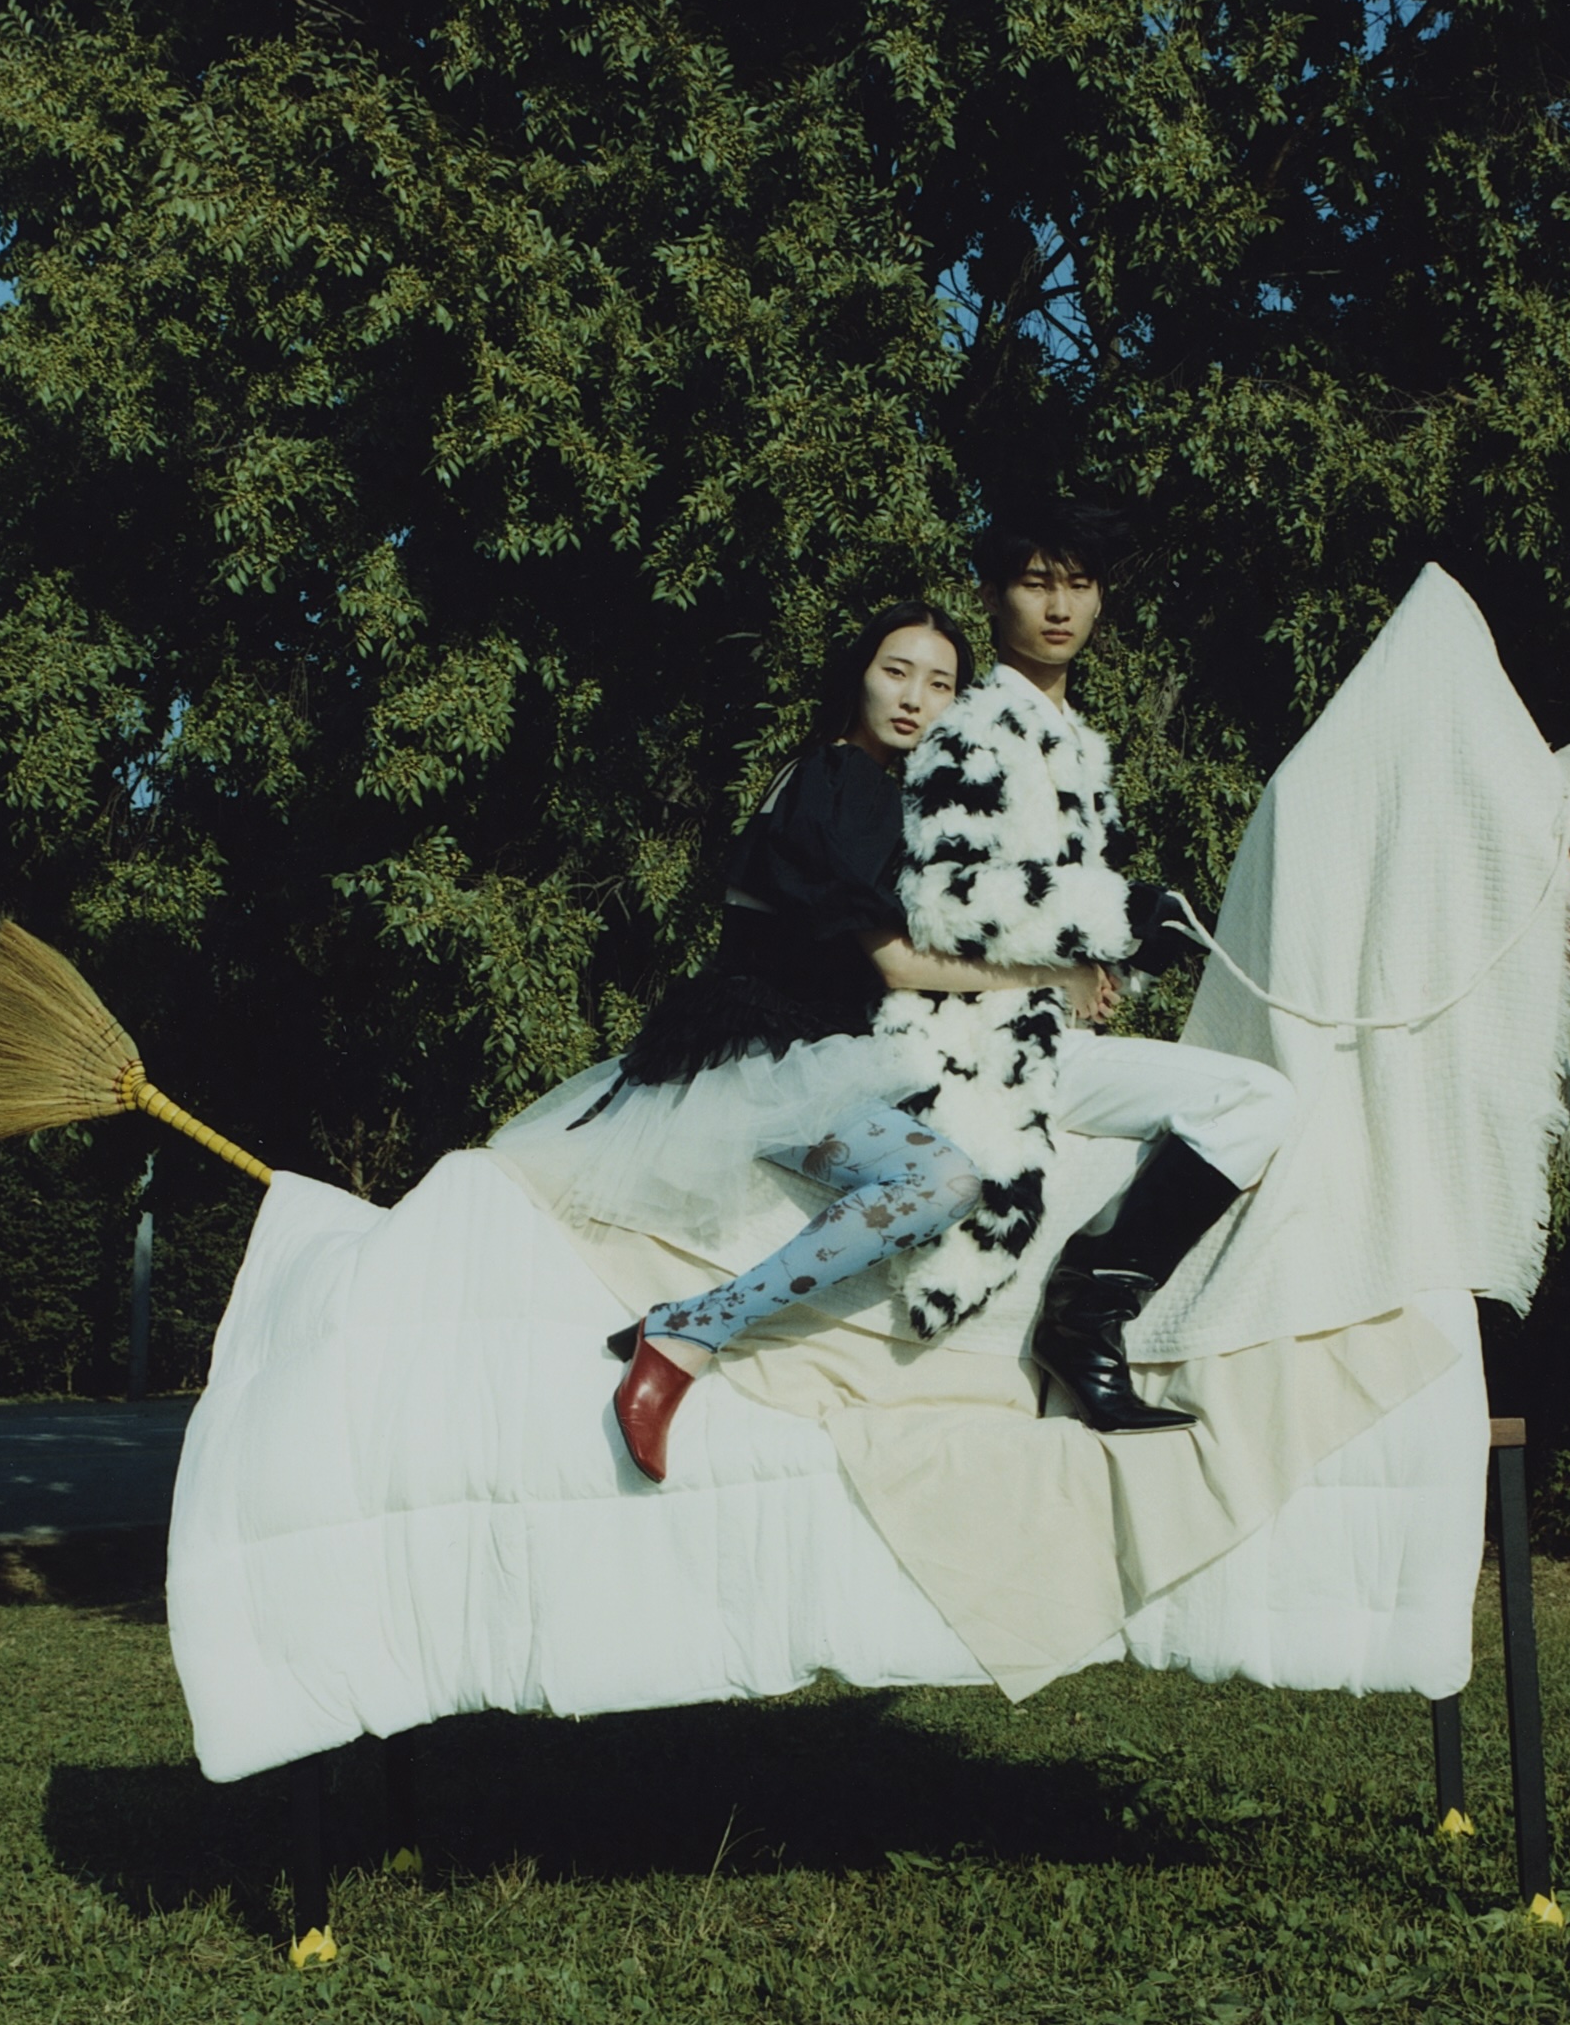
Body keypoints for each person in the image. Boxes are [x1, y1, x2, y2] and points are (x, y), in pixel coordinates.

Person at [485, 602, 1116, 1481]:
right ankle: (689, 1330)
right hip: (765, 1058)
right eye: (896, 671)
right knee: (939, 1180)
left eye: (940, 684)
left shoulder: (855, 787)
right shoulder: (842, 782)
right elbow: (897, 963)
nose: (915, 698)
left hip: (799, 1046)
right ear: (859, 674)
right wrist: (1048, 974)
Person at [880, 501, 1296, 1431]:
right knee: (1256, 1098)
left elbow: (1073, 929)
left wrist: (1117, 957)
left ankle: (1092, 1304)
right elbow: (941, 898)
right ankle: (1085, 1313)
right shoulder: (969, 730)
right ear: (993, 598)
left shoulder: (1078, 743)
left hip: (1047, 1031)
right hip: (982, 1039)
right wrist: (1114, 917)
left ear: (1102, 598)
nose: (1059, 607)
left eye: (1079, 584)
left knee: (1256, 1095)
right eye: (1036, 584)